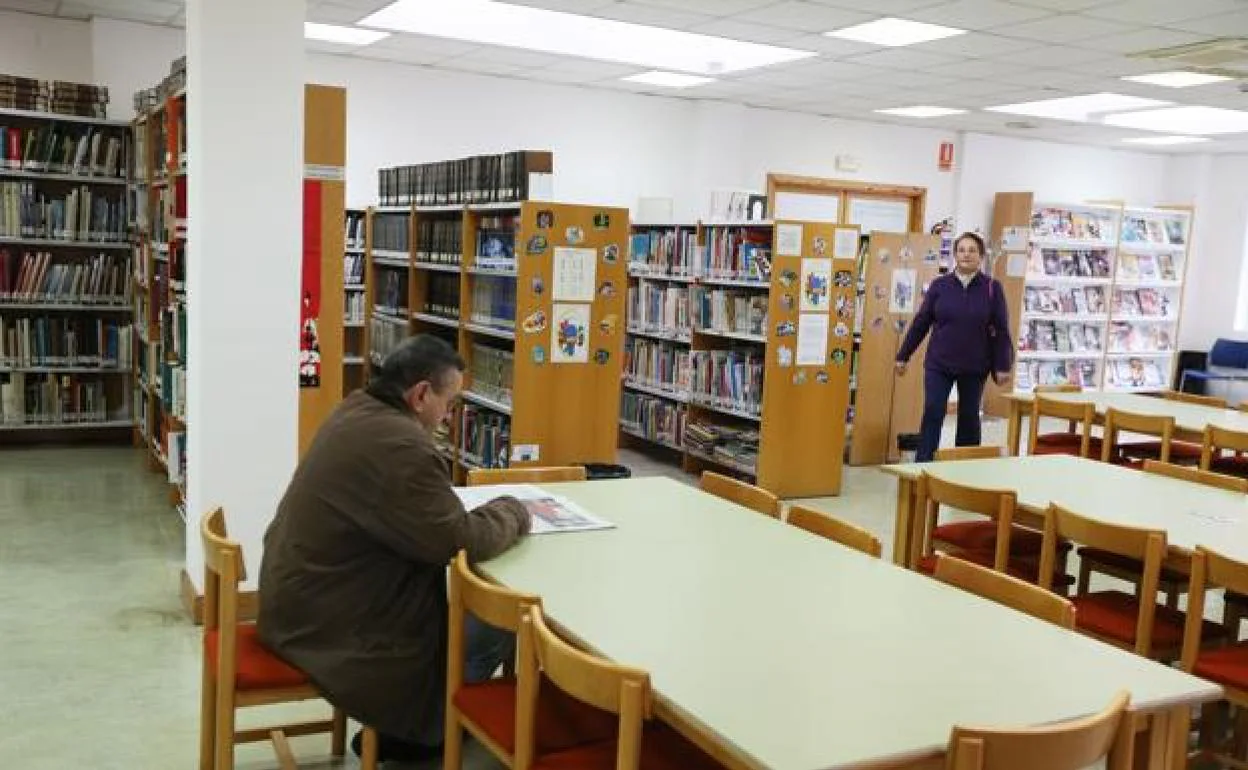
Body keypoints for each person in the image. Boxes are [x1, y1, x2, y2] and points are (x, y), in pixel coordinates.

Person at [257, 334, 531, 762]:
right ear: (421, 394)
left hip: (301, 602)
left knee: (463, 607)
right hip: (332, 628)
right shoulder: (400, 446)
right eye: (450, 403)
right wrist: (514, 510)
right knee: (500, 618)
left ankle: (410, 723)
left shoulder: (358, 409)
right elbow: (459, 541)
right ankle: (427, 729)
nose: (450, 416)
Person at [895, 232, 1013, 463]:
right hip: (939, 363)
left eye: (972, 250)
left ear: (981, 256)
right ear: (954, 255)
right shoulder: (940, 286)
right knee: (932, 411)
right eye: (961, 250)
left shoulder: (992, 288)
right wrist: (903, 355)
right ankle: (923, 467)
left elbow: (1001, 329)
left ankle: (965, 468)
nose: (966, 255)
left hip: (975, 365)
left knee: (969, 418)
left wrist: (1003, 364)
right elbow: (921, 322)